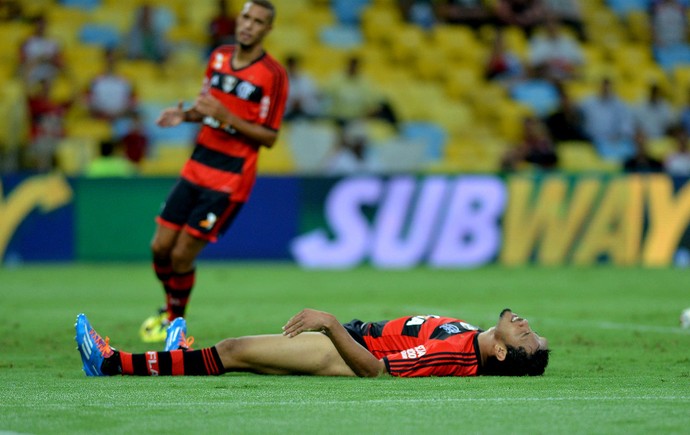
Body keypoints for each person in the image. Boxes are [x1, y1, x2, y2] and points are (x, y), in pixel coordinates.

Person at [140, 0, 288, 342]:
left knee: (181, 254)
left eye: (258, 21)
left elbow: (270, 137)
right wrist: (186, 115)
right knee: (160, 248)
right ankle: (170, 311)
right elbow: (208, 108)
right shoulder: (219, 57)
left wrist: (227, 117)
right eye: (245, 17)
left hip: (230, 178)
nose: (248, 25)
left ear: (268, 29)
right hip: (197, 164)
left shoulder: (273, 75)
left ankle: (177, 324)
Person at [75, 307, 550, 378]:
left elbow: (376, 370)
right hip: (349, 341)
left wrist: (329, 325)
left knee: (235, 350)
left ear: (503, 352)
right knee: (245, 354)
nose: (526, 322)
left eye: (525, 334)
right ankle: (178, 354)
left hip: (340, 355)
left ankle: (113, 363)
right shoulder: (469, 336)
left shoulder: (457, 352)